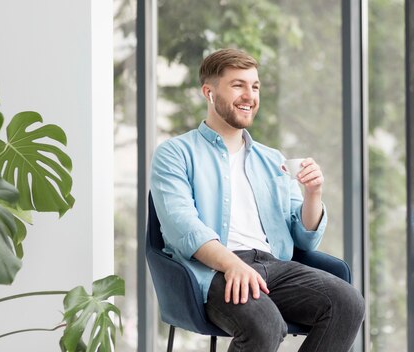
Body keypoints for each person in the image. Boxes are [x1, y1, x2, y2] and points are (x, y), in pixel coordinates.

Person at [150, 48, 365, 352]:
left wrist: (313, 194)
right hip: (213, 270)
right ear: (209, 93)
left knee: (348, 303)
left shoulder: (271, 159)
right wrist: (232, 265)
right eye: (238, 85)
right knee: (265, 325)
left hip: (273, 266)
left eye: (255, 86)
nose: (249, 95)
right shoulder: (175, 154)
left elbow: (304, 240)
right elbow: (183, 227)